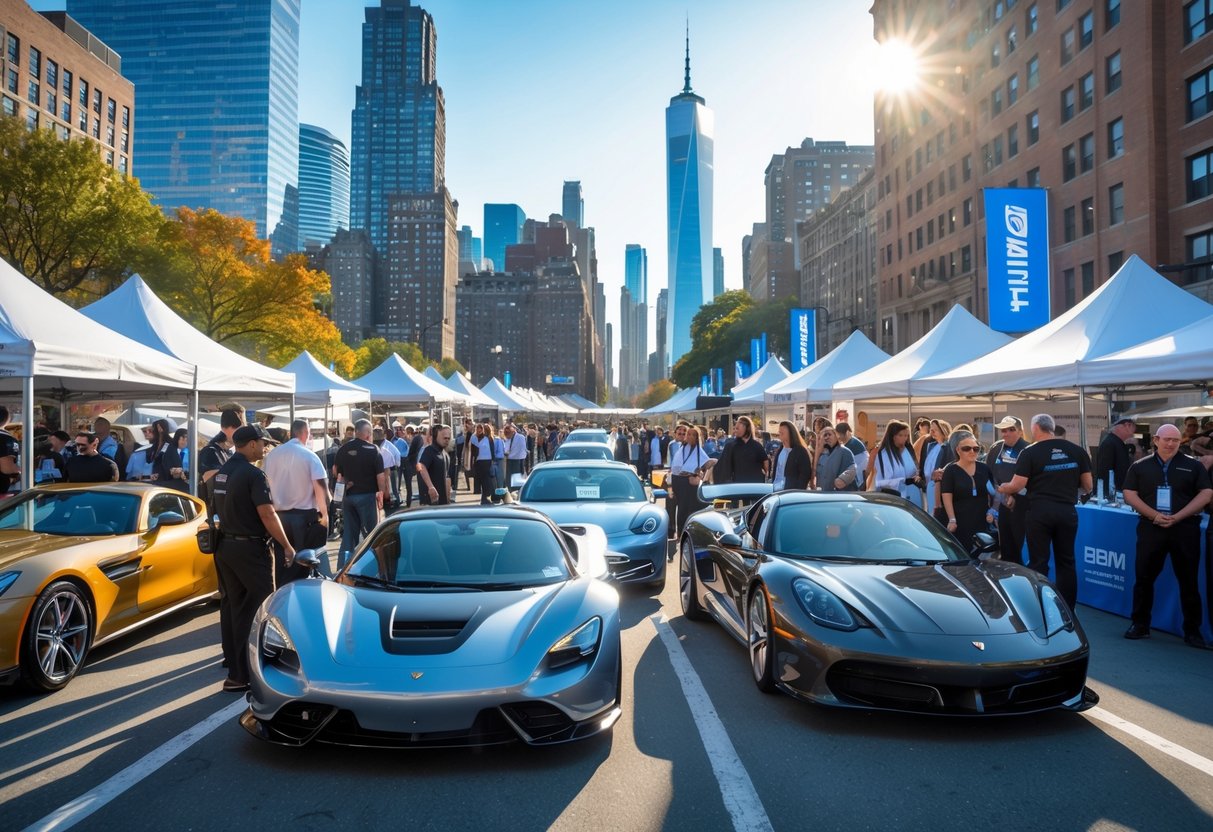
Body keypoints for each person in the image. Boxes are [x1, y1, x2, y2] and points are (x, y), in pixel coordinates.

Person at [212, 425, 293, 692]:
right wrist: (287, 545)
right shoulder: (254, 474)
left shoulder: (223, 472)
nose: (265, 447)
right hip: (251, 549)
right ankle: (257, 671)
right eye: (262, 443)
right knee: (263, 609)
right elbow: (268, 514)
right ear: (249, 444)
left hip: (225, 547)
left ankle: (237, 673)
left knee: (237, 609)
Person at [1122, 424, 1213, 648]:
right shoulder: (1140, 466)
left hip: (1185, 529)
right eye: (1166, 439)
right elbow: (1129, 494)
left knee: (1188, 581)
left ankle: (1192, 631)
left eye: (1175, 439)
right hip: (1151, 528)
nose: (1170, 443)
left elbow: (1207, 492)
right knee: (1143, 578)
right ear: (1155, 440)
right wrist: (1154, 516)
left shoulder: (1193, 465)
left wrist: (1180, 516)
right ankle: (1140, 625)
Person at [998, 413, 1093, 611]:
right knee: (1066, 562)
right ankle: (1068, 609)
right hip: (1067, 511)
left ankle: (1039, 607)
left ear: (1035, 429)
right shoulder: (1077, 450)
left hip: (1040, 513)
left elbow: (1017, 485)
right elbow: (1088, 486)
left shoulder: (1030, 452)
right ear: (1052, 427)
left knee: (1039, 562)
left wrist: (1002, 488)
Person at [264, 418, 331, 581]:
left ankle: (282, 594)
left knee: (280, 564)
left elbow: (264, 486)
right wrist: (325, 516)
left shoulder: (271, 456)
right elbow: (321, 489)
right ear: (306, 433)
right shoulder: (309, 456)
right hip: (304, 519)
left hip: (278, 518)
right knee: (303, 564)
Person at [334, 418, 386, 567]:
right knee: (372, 536)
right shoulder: (374, 450)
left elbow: (336, 472)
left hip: (348, 497)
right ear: (368, 434)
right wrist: (381, 495)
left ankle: (342, 568)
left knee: (349, 537)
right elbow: (380, 477)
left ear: (356, 432)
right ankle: (374, 568)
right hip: (368, 496)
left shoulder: (343, 449)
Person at [985, 416, 1030, 564]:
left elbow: (1033, 480)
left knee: (1019, 547)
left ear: (1020, 431)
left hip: (1022, 507)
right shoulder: (998, 448)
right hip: (1002, 506)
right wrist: (994, 505)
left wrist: (1015, 495)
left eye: (1011, 430)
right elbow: (992, 475)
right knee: (1005, 546)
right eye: (1003, 430)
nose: (1006, 433)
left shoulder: (1028, 449)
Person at [940, 436, 995, 551]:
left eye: (976, 449)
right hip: (959, 521)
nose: (972, 451)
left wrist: (992, 511)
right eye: (967, 448)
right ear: (958, 450)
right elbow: (946, 496)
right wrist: (952, 519)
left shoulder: (984, 468)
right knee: (962, 552)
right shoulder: (951, 471)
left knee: (982, 553)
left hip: (981, 519)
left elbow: (994, 492)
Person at [669, 424, 712, 539]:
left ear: (697, 437)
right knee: (681, 508)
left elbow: (707, 464)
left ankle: (690, 534)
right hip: (678, 481)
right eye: (689, 434)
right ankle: (680, 534)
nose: (690, 436)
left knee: (690, 508)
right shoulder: (681, 448)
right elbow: (675, 466)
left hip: (690, 482)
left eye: (693, 435)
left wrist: (700, 473)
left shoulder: (699, 451)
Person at [199, 408, 245, 509]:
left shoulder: (228, 451)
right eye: (237, 430)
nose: (241, 435)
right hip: (215, 507)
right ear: (225, 429)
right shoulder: (210, 451)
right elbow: (207, 478)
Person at [872, 420, 921, 501]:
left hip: (910, 495)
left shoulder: (907, 450)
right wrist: (904, 481)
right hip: (891, 497)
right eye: (901, 435)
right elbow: (883, 481)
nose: (905, 438)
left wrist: (917, 477)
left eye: (906, 435)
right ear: (893, 436)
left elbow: (914, 470)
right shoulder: (884, 454)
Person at [712, 416, 769, 484]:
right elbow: (722, 467)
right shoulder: (731, 446)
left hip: (755, 485)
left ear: (746, 428)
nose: (735, 431)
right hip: (738, 485)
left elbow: (765, 461)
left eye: (737, 428)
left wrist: (766, 473)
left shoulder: (757, 446)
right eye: (735, 428)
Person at [920, 419, 954, 523]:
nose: (932, 432)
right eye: (931, 430)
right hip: (928, 486)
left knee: (936, 517)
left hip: (938, 488)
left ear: (943, 431)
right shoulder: (931, 446)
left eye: (935, 430)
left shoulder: (948, 447)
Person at [1095, 417, 1135, 496]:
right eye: (1132, 426)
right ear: (1126, 425)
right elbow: (1104, 472)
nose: (1133, 431)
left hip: (1118, 491)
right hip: (1112, 494)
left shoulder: (1117, 442)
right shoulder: (1110, 443)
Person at [417, 424, 452, 505]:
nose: (447, 440)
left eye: (448, 438)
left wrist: (448, 496)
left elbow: (447, 476)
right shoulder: (429, 451)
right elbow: (421, 467)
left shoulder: (445, 453)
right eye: (444, 438)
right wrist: (430, 487)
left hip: (443, 501)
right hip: (431, 500)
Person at [149, 419, 188, 492]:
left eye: (186, 439)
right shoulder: (171, 449)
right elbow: (168, 468)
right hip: (167, 484)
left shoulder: (177, 449)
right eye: (183, 438)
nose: (185, 442)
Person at [772, 421, 812, 490]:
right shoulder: (780, 450)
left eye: (783, 430)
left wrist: (799, 490)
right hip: (776, 489)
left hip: (792, 492)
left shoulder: (800, 451)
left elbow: (805, 474)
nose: (780, 432)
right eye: (780, 431)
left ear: (791, 432)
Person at [815, 426, 857, 492]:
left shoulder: (844, 451)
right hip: (824, 492)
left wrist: (843, 479)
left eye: (829, 434)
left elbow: (852, 468)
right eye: (824, 435)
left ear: (836, 435)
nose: (827, 437)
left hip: (841, 493)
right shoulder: (822, 455)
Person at [474, 422, 497, 505]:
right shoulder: (488, 439)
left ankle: (485, 499)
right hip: (485, 462)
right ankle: (485, 499)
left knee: (485, 481)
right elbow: (492, 451)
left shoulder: (485, 439)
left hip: (482, 462)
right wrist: (493, 461)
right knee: (486, 481)